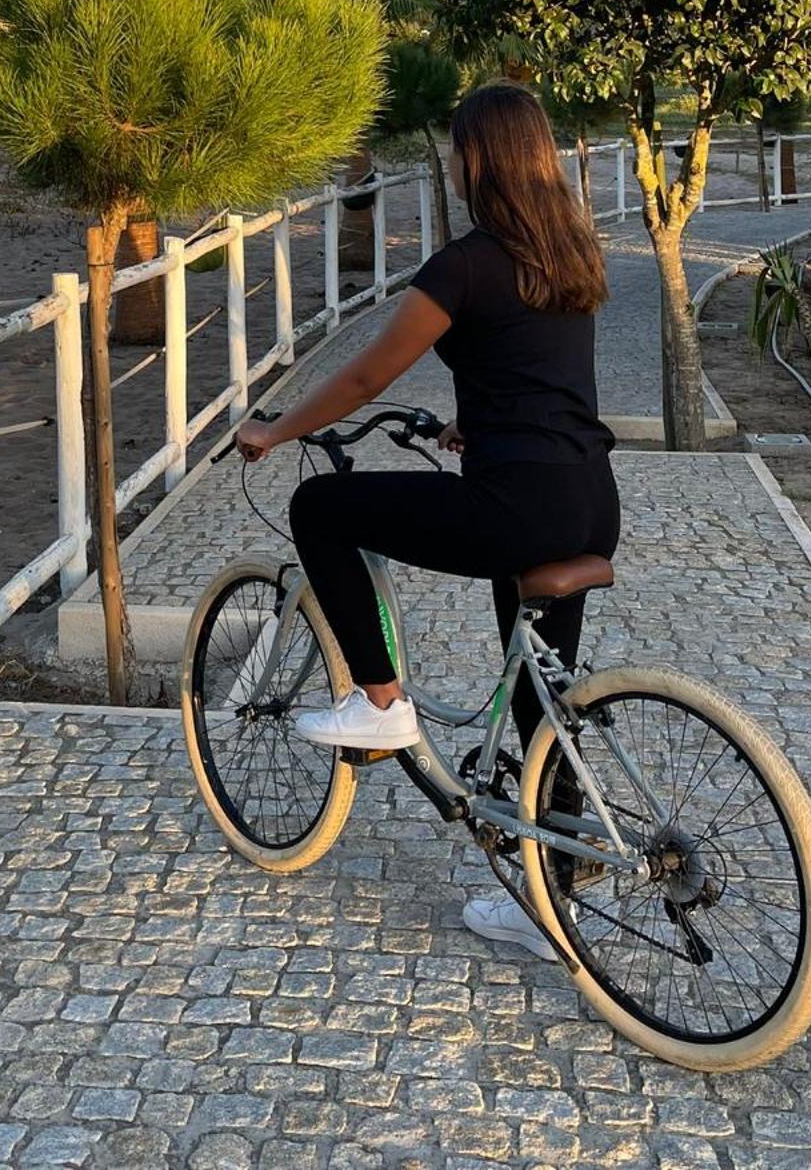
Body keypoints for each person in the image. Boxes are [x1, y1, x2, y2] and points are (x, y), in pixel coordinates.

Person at [234, 81, 617, 961]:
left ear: (475, 161)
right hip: (590, 498)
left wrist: (277, 427)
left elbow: (367, 377)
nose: (449, 163)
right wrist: (473, 425)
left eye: (455, 149)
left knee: (320, 505)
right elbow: (541, 372)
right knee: (538, 692)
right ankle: (551, 893)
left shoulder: (467, 264)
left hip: (517, 505)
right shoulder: (571, 252)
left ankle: (379, 704)